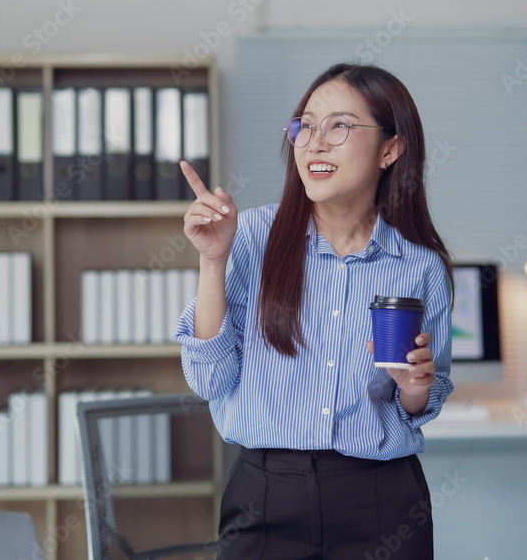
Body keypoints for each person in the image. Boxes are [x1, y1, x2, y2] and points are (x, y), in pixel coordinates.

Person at [175, 62, 456, 559]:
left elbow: (419, 406)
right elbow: (210, 381)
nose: (314, 142)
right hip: (265, 499)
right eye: (305, 125)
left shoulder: (419, 266)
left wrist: (416, 389)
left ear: (390, 149)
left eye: (339, 126)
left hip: (380, 500)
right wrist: (213, 261)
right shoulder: (249, 236)